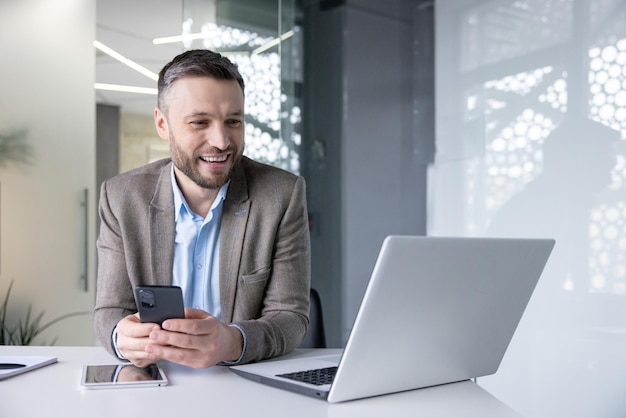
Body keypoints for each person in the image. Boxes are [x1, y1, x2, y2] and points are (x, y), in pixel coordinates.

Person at [94, 49, 311, 369]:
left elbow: (290, 317)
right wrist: (120, 337)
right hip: (154, 383)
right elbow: (110, 310)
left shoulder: (281, 195)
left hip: (242, 381)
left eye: (233, 121)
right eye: (200, 122)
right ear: (162, 124)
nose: (222, 141)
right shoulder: (121, 197)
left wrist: (232, 342)